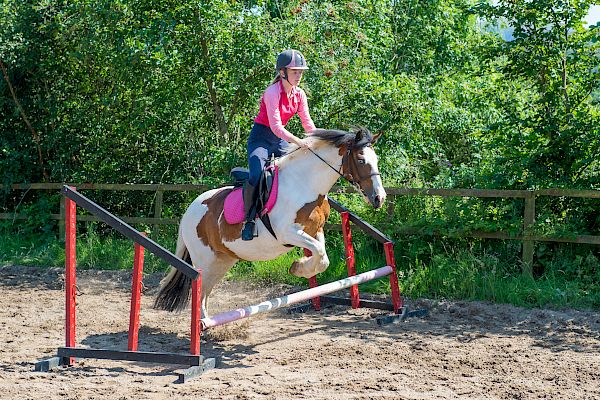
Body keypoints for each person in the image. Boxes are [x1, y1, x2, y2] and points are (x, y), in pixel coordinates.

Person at [242, 49, 317, 241]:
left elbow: (307, 123)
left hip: (280, 140)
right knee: (257, 174)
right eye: (295, 72)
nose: (299, 76)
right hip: (261, 139)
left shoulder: (299, 95)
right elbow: (276, 127)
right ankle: (249, 220)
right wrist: (300, 142)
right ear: (282, 72)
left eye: (300, 72)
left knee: (297, 169)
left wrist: (317, 140)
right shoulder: (272, 92)